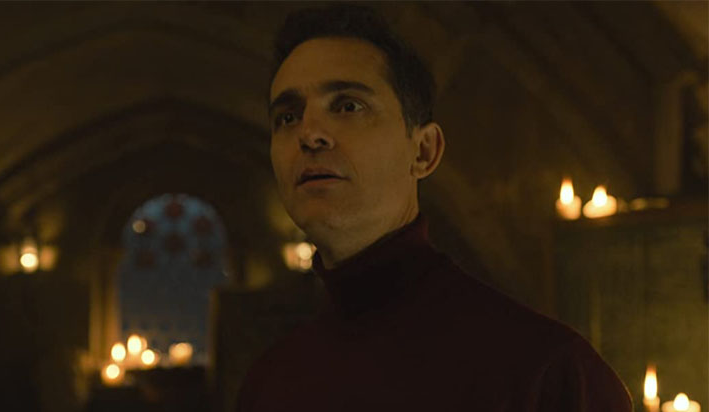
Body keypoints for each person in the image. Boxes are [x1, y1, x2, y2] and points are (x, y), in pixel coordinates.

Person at [236, 5, 632, 412]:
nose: (309, 134)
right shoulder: (270, 381)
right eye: (287, 116)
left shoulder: (547, 374)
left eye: (348, 106)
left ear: (423, 151)